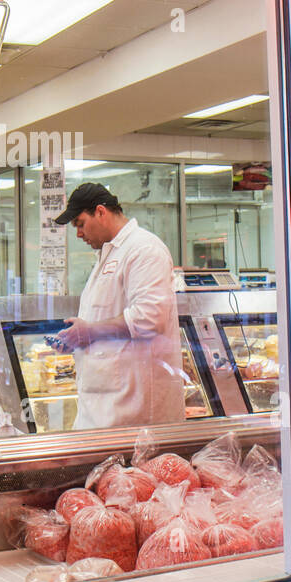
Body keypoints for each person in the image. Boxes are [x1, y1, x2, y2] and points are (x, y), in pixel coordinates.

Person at [52, 183, 184, 429]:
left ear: (100, 212)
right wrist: (78, 337)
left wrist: (90, 331)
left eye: (80, 224)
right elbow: (105, 317)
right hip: (103, 407)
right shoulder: (110, 253)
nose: (79, 234)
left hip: (135, 413)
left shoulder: (144, 250)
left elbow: (149, 318)